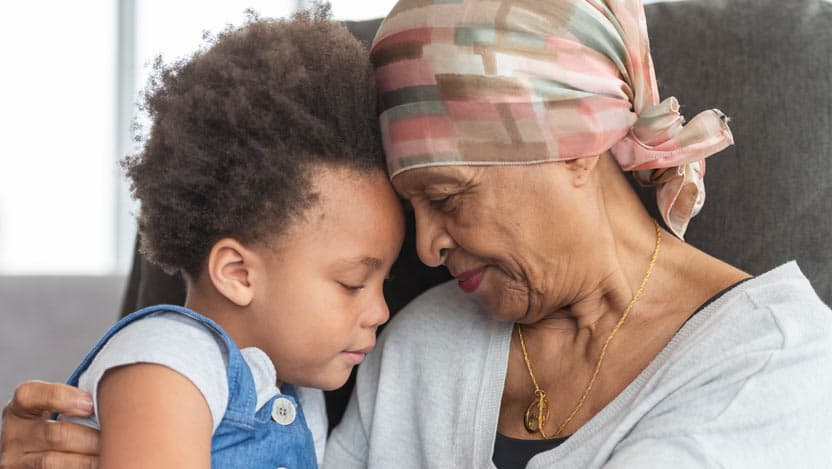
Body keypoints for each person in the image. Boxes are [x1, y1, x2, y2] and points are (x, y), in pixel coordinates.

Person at [3, 0, 832, 468]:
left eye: (446, 195)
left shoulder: (784, 368)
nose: (428, 248)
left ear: (574, 145)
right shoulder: (427, 340)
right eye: (413, 209)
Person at [0, 6, 403, 469]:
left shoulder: (293, 391)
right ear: (237, 273)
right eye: (353, 283)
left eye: (384, 283)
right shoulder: (167, 364)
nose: (381, 312)